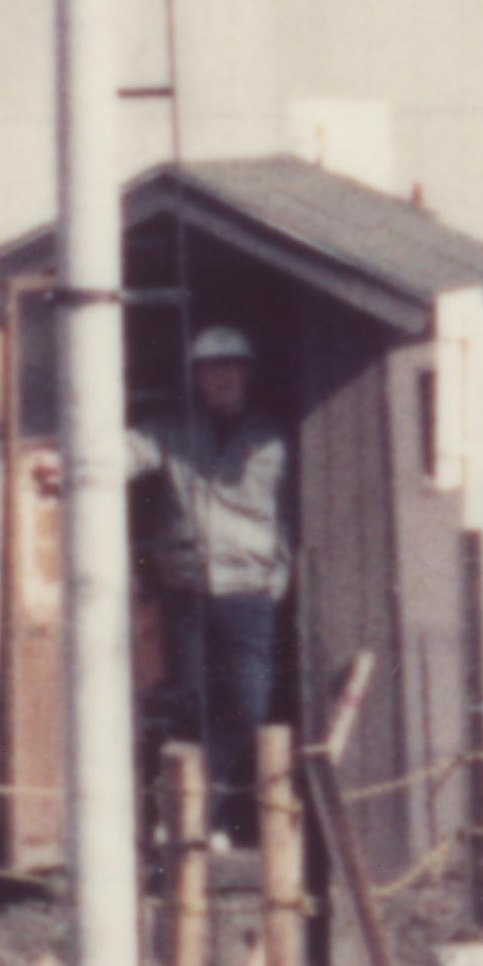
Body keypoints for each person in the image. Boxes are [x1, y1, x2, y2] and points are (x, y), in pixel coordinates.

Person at [135, 318, 299, 863]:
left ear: (248, 374)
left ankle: (210, 810)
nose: (222, 378)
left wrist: (278, 580)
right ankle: (189, 821)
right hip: (186, 589)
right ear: (197, 377)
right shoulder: (173, 432)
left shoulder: (276, 438)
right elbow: (126, 450)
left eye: (231, 367)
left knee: (248, 709)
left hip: (248, 594)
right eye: (211, 369)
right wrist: (66, 463)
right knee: (191, 706)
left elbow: (295, 515)